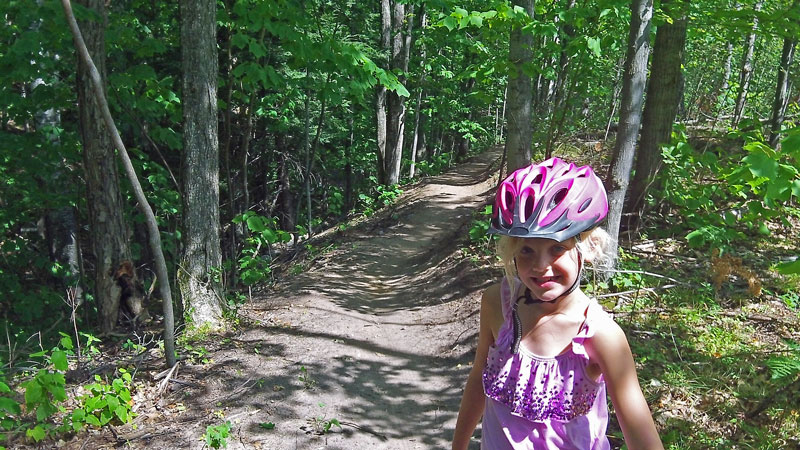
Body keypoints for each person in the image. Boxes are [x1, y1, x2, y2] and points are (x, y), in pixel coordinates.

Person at [452, 158, 663, 449]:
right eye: (526, 250)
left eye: (557, 248)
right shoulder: (497, 304)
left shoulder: (600, 335)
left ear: (588, 247)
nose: (541, 266)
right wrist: (458, 445)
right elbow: (479, 378)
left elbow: (641, 435)